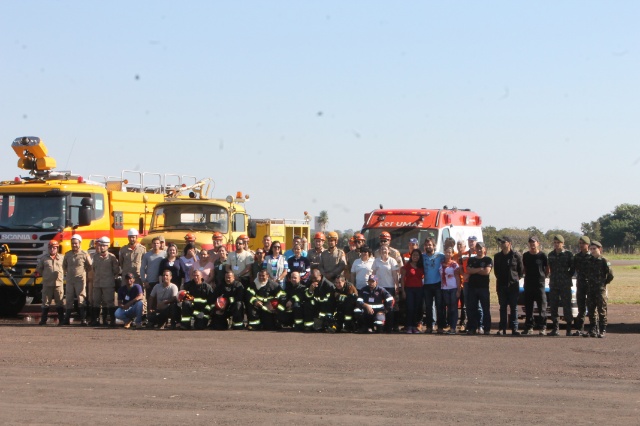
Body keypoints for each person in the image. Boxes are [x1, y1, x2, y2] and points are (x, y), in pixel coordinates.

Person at [493, 236, 524, 336]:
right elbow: (496, 272)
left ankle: (514, 329)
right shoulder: (497, 256)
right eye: (501, 242)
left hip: (513, 286)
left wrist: (515, 278)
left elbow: (521, 270)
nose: (502, 244)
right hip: (501, 285)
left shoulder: (516, 255)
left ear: (509, 243)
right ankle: (502, 328)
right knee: (503, 307)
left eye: (504, 242)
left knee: (514, 308)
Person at [584, 241, 614, 338]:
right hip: (591, 288)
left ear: (599, 249)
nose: (592, 251)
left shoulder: (604, 260)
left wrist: (604, 283)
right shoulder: (589, 260)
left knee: (602, 309)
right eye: (591, 249)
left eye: (594, 249)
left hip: (600, 289)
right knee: (591, 309)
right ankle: (593, 329)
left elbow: (610, 275)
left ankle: (602, 329)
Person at [547, 234, 575, 336]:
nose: (556, 244)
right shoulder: (551, 254)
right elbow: (549, 268)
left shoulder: (568, 254)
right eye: (554, 243)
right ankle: (555, 328)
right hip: (554, 283)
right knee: (553, 306)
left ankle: (568, 329)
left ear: (562, 243)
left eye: (558, 243)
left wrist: (567, 276)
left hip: (565, 284)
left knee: (566, 305)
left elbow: (572, 268)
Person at [62, 234, 92, 326]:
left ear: (79, 243)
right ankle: (66, 319)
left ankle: (83, 319)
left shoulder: (84, 254)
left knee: (81, 298)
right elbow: (64, 266)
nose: (74, 245)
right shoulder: (67, 254)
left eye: (76, 243)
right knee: (69, 299)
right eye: (72, 243)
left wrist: (86, 276)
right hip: (70, 280)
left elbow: (89, 266)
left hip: (80, 280)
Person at [522, 236, 549, 335]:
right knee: (529, 307)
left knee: (542, 306)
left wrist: (542, 277)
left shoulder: (542, 256)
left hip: (539, 284)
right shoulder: (525, 255)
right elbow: (524, 268)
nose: (532, 244)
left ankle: (542, 327)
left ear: (538, 243)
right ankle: (529, 327)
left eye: (534, 242)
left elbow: (547, 269)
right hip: (528, 283)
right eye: (530, 242)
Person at [90, 236, 120, 327]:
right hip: (97, 283)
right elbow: (94, 269)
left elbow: (116, 270)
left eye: (104, 246)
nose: (102, 247)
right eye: (101, 245)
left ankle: (111, 320)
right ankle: (96, 320)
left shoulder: (112, 257)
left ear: (107, 246)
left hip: (108, 283)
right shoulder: (95, 257)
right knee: (96, 302)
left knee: (109, 302)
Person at [36, 240, 65, 326]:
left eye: (54, 248)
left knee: (59, 302)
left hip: (58, 284)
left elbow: (66, 268)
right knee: (45, 302)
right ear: (48, 248)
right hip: (47, 283)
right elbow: (39, 269)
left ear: (57, 248)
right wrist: (46, 275)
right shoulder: (44, 258)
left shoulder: (62, 258)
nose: (52, 249)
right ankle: (43, 320)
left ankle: (61, 320)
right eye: (51, 248)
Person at [466, 242, 492, 335]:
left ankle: (487, 329)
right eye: (478, 248)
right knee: (472, 309)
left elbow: (486, 272)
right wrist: (480, 269)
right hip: (472, 288)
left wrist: (475, 270)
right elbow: (469, 270)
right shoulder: (471, 259)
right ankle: (472, 328)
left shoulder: (488, 259)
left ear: (484, 249)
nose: (479, 250)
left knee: (485, 309)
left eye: (481, 248)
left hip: (483, 288)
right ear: (475, 249)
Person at [372, 245, 400, 332]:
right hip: (379, 287)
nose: (384, 251)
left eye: (385, 249)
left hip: (390, 287)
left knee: (390, 308)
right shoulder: (376, 261)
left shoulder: (393, 261)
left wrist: (396, 286)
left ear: (388, 251)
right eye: (382, 249)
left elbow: (395, 275)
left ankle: (389, 327)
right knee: (380, 307)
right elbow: (373, 274)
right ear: (380, 251)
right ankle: (380, 326)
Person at [422, 238, 445, 333]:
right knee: (428, 307)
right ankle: (429, 326)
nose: (428, 246)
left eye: (430, 245)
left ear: (434, 246)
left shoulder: (440, 256)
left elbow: (449, 260)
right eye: (427, 245)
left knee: (439, 306)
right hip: (427, 284)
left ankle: (440, 327)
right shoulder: (422, 256)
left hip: (438, 283)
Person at [304, 267, 336, 332]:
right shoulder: (310, 282)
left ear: (320, 276)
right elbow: (306, 297)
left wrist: (317, 300)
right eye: (312, 278)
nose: (313, 280)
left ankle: (323, 325)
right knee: (307, 304)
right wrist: (310, 290)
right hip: (316, 305)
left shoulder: (328, 285)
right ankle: (309, 326)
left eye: (315, 278)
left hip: (326, 307)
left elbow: (329, 301)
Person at [401, 248, 424, 334]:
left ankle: (415, 326)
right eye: (414, 255)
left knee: (417, 308)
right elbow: (402, 279)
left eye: (417, 255)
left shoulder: (421, 266)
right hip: (409, 289)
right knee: (410, 308)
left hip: (419, 289)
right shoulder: (406, 266)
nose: (415, 257)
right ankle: (408, 326)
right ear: (411, 256)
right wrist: (403, 291)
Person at [572, 236, 592, 336]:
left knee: (592, 308)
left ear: (587, 245)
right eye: (580, 243)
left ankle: (593, 329)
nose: (581, 245)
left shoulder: (592, 257)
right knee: (581, 308)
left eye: (583, 243)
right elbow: (573, 270)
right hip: (580, 284)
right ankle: (580, 329)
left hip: (591, 285)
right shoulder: (577, 257)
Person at [440, 247, 461, 335]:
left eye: (450, 253)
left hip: (453, 288)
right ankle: (449, 325)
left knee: (453, 308)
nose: (448, 254)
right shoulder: (441, 264)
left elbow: (457, 277)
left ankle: (453, 327)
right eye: (446, 252)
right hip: (444, 288)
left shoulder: (455, 265)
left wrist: (458, 290)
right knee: (448, 308)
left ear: (452, 254)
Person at [141, 236, 166, 303]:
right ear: (152, 244)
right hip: (150, 282)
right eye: (154, 243)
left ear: (160, 244)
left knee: (160, 300)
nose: (156, 245)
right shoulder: (147, 255)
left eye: (157, 243)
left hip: (161, 282)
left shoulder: (164, 254)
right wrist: (144, 281)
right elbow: (142, 268)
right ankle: (149, 313)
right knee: (150, 300)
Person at [453, 239, 470, 331]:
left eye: (461, 245)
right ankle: (453, 322)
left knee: (464, 305)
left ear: (464, 247)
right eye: (458, 244)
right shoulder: (454, 256)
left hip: (464, 283)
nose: (459, 246)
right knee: (453, 304)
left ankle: (463, 323)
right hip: (455, 284)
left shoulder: (466, 256)